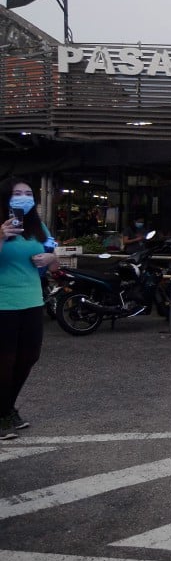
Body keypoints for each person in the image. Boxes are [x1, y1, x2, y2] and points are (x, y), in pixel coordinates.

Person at [0, 178, 59, 438]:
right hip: (3, 303)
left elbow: (54, 262)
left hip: (32, 301)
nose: (23, 196)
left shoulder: (38, 226)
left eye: (28, 193)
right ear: (7, 198)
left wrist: (50, 258)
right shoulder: (2, 226)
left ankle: (5, 408)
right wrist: (1, 236)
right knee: (4, 360)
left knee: (29, 356)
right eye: (17, 193)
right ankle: (2, 415)